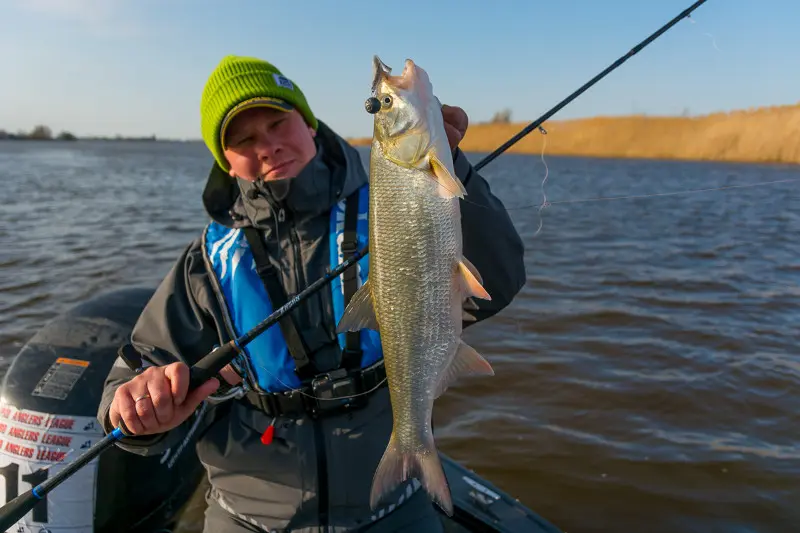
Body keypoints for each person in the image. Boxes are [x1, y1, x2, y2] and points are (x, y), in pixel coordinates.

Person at [98, 55, 526, 533]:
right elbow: (138, 365)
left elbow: (499, 282)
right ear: (225, 160)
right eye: (243, 139)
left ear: (308, 122)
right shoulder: (208, 262)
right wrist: (133, 406)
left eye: (279, 123)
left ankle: (414, 452)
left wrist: (455, 167)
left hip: (392, 508)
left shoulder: (389, 205)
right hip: (249, 516)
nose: (269, 146)